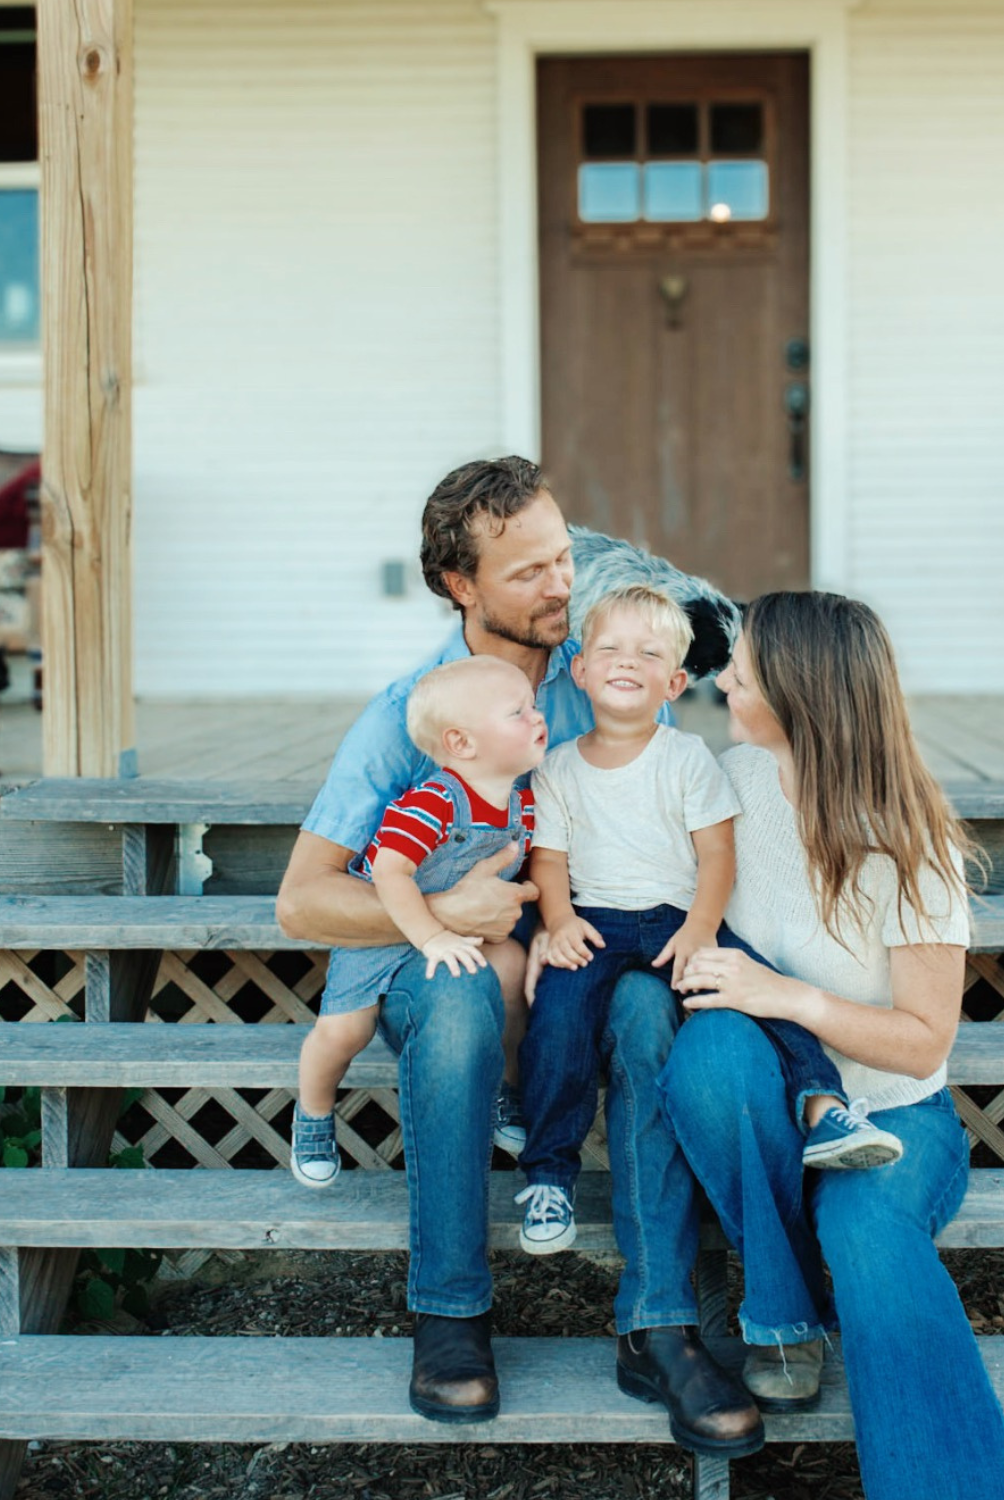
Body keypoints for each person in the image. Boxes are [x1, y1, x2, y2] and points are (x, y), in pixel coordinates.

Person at [276, 457, 763, 1455]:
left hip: (586, 951)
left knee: (644, 1010)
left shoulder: (607, 676)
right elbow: (300, 901)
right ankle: (450, 1311)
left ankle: (658, 1325)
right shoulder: (413, 712)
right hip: (442, 953)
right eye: (530, 571)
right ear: (462, 586)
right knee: (456, 1007)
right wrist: (444, 908)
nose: (563, 586)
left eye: (564, 558)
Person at [659, 591, 1004, 1499]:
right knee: (709, 1056)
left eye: (740, 673)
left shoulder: (910, 848)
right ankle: (786, 1314)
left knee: (869, 1238)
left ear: (800, 697)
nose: (720, 682)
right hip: (771, 1110)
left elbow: (920, 1044)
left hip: (896, 1118)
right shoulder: (735, 783)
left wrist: (790, 996)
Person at [516, 584, 903, 1256]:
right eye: (609, 648)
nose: (626, 661)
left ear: (673, 683)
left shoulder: (689, 759)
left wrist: (700, 928)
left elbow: (716, 858)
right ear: (579, 671)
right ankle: (549, 1176)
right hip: (596, 924)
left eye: (647, 653)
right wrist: (555, 922)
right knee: (556, 1020)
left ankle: (825, 1108)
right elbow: (547, 860)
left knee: (758, 987)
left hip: (678, 917)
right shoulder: (557, 771)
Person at [289, 655, 547, 1189]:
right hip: (384, 932)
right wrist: (429, 935)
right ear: (462, 743)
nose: (537, 716)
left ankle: (505, 1090)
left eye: (534, 705)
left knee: (514, 970)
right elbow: (390, 872)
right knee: (343, 1031)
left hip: (461, 933)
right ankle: (312, 1114)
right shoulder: (430, 803)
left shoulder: (523, 805)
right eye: (517, 711)